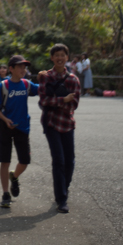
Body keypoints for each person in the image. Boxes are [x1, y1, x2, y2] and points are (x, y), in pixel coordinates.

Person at [0, 55, 40, 208]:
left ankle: (15, 176)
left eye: (24, 66)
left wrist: (46, 77)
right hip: (6, 128)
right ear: (11, 69)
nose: (23, 69)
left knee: (25, 161)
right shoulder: (3, 86)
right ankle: (6, 193)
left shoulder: (26, 84)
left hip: (23, 127)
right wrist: (5, 120)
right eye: (19, 66)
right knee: (5, 160)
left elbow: (43, 89)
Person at [38, 43, 80, 214]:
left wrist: (57, 100)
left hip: (67, 123)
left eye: (63, 55)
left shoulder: (73, 79)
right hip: (51, 123)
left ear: (67, 58)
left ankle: (64, 186)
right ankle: (61, 199)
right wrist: (63, 100)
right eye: (57, 55)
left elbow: (75, 104)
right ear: (52, 58)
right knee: (59, 161)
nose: (60, 58)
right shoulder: (45, 77)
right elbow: (43, 101)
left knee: (70, 161)